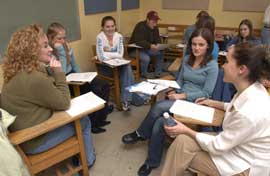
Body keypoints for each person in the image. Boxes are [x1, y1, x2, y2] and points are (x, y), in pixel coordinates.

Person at [161, 42, 270, 176]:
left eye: (227, 61)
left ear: (242, 69)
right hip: (236, 146)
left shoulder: (249, 111)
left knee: (181, 152)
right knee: (182, 141)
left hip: (244, 164)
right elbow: (233, 107)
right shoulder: (250, 89)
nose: (223, 66)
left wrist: (185, 129)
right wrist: (212, 102)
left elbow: (217, 146)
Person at [122, 28, 219, 176]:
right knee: (159, 123)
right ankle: (151, 162)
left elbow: (207, 93)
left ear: (208, 46)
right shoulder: (187, 60)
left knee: (158, 107)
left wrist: (183, 95)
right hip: (180, 98)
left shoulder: (212, 65)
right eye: (194, 44)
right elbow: (179, 81)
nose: (196, 48)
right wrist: (174, 90)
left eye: (201, 44)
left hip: (196, 103)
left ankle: (141, 133)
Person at [1, 24, 95, 167]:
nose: (51, 49)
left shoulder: (17, 72)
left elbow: (43, 91)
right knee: (84, 121)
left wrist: (51, 72)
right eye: (45, 46)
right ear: (31, 51)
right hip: (34, 141)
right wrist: (58, 72)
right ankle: (88, 161)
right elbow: (64, 102)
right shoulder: (34, 77)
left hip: (23, 136)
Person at [47, 22, 113, 134]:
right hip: (63, 81)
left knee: (104, 85)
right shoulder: (49, 54)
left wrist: (84, 78)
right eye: (59, 39)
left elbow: (74, 65)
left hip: (74, 75)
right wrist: (62, 52)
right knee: (93, 91)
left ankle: (102, 117)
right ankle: (93, 123)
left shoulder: (65, 47)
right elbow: (60, 73)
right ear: (50, 38)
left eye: (64, 38)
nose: (63, 41)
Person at [96, 16, 134, 111]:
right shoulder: (100, 37)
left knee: (127, 70)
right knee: (128, 74)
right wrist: (112, 54)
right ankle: (132, 100)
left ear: (115, 26)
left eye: (112, 26)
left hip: (119, 66)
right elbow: (101, 58)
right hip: (105, 68)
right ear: (103, 27)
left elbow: (120, 54)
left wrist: (105, 52)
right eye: (107, 26)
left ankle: (126, 101)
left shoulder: (119, 36)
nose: (110, 29)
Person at [128, 10, 164, 78]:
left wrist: (159, 46)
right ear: (147, 20)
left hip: (147, 49)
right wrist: (150, 45)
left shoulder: (155, 27)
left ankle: (158, 73)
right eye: (153, 21)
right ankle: (144, 74)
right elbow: (139, 41)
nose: (155, 23)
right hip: (135, 50)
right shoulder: (140, 26)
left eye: (156, 21)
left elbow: (157, 38)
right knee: (146, 58)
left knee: (160, 52)